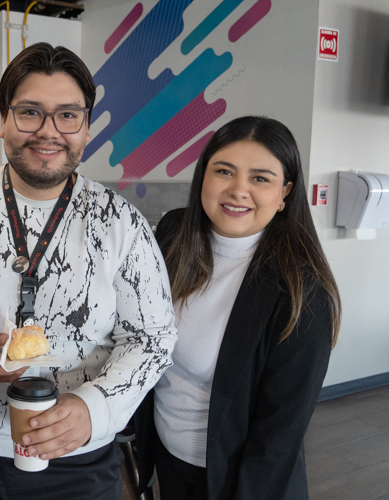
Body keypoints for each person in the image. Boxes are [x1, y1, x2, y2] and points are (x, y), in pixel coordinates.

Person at [0, 42, 177, 499]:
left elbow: (153, 337)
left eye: (68, 115)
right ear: (3, 120)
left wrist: (94, 408)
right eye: (30, 112)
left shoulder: (120, 222)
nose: (49, 132)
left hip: (79, 457)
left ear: (87, 127)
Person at [134, 116, 342, 499]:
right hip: (166, 459)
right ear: (203, 176)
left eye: (260, 178)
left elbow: (279, 435)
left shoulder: (301, 290)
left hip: (235, 481)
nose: (238, 190)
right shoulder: (174, 232)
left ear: (285, 192)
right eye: (224, 171)